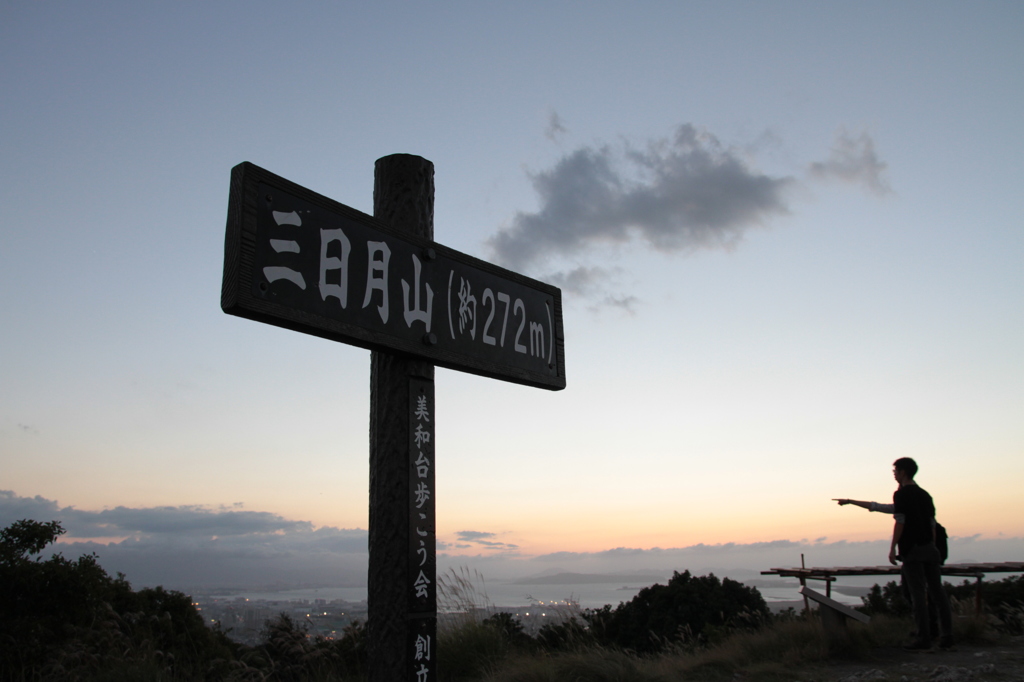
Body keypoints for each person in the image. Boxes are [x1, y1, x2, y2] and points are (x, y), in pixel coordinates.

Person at [888, 457, 953, 650]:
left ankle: (924, 638)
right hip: (930, 549)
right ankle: (947, 636)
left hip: (912, 550)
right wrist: (932, 546)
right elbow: (932, 524)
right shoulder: (925, 495)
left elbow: (900, 521)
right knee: (938, 594)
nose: (894, 474)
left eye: (895, 471)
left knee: (917, 596)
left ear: (903, 472)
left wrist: (893, 548)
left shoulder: (901, 495)